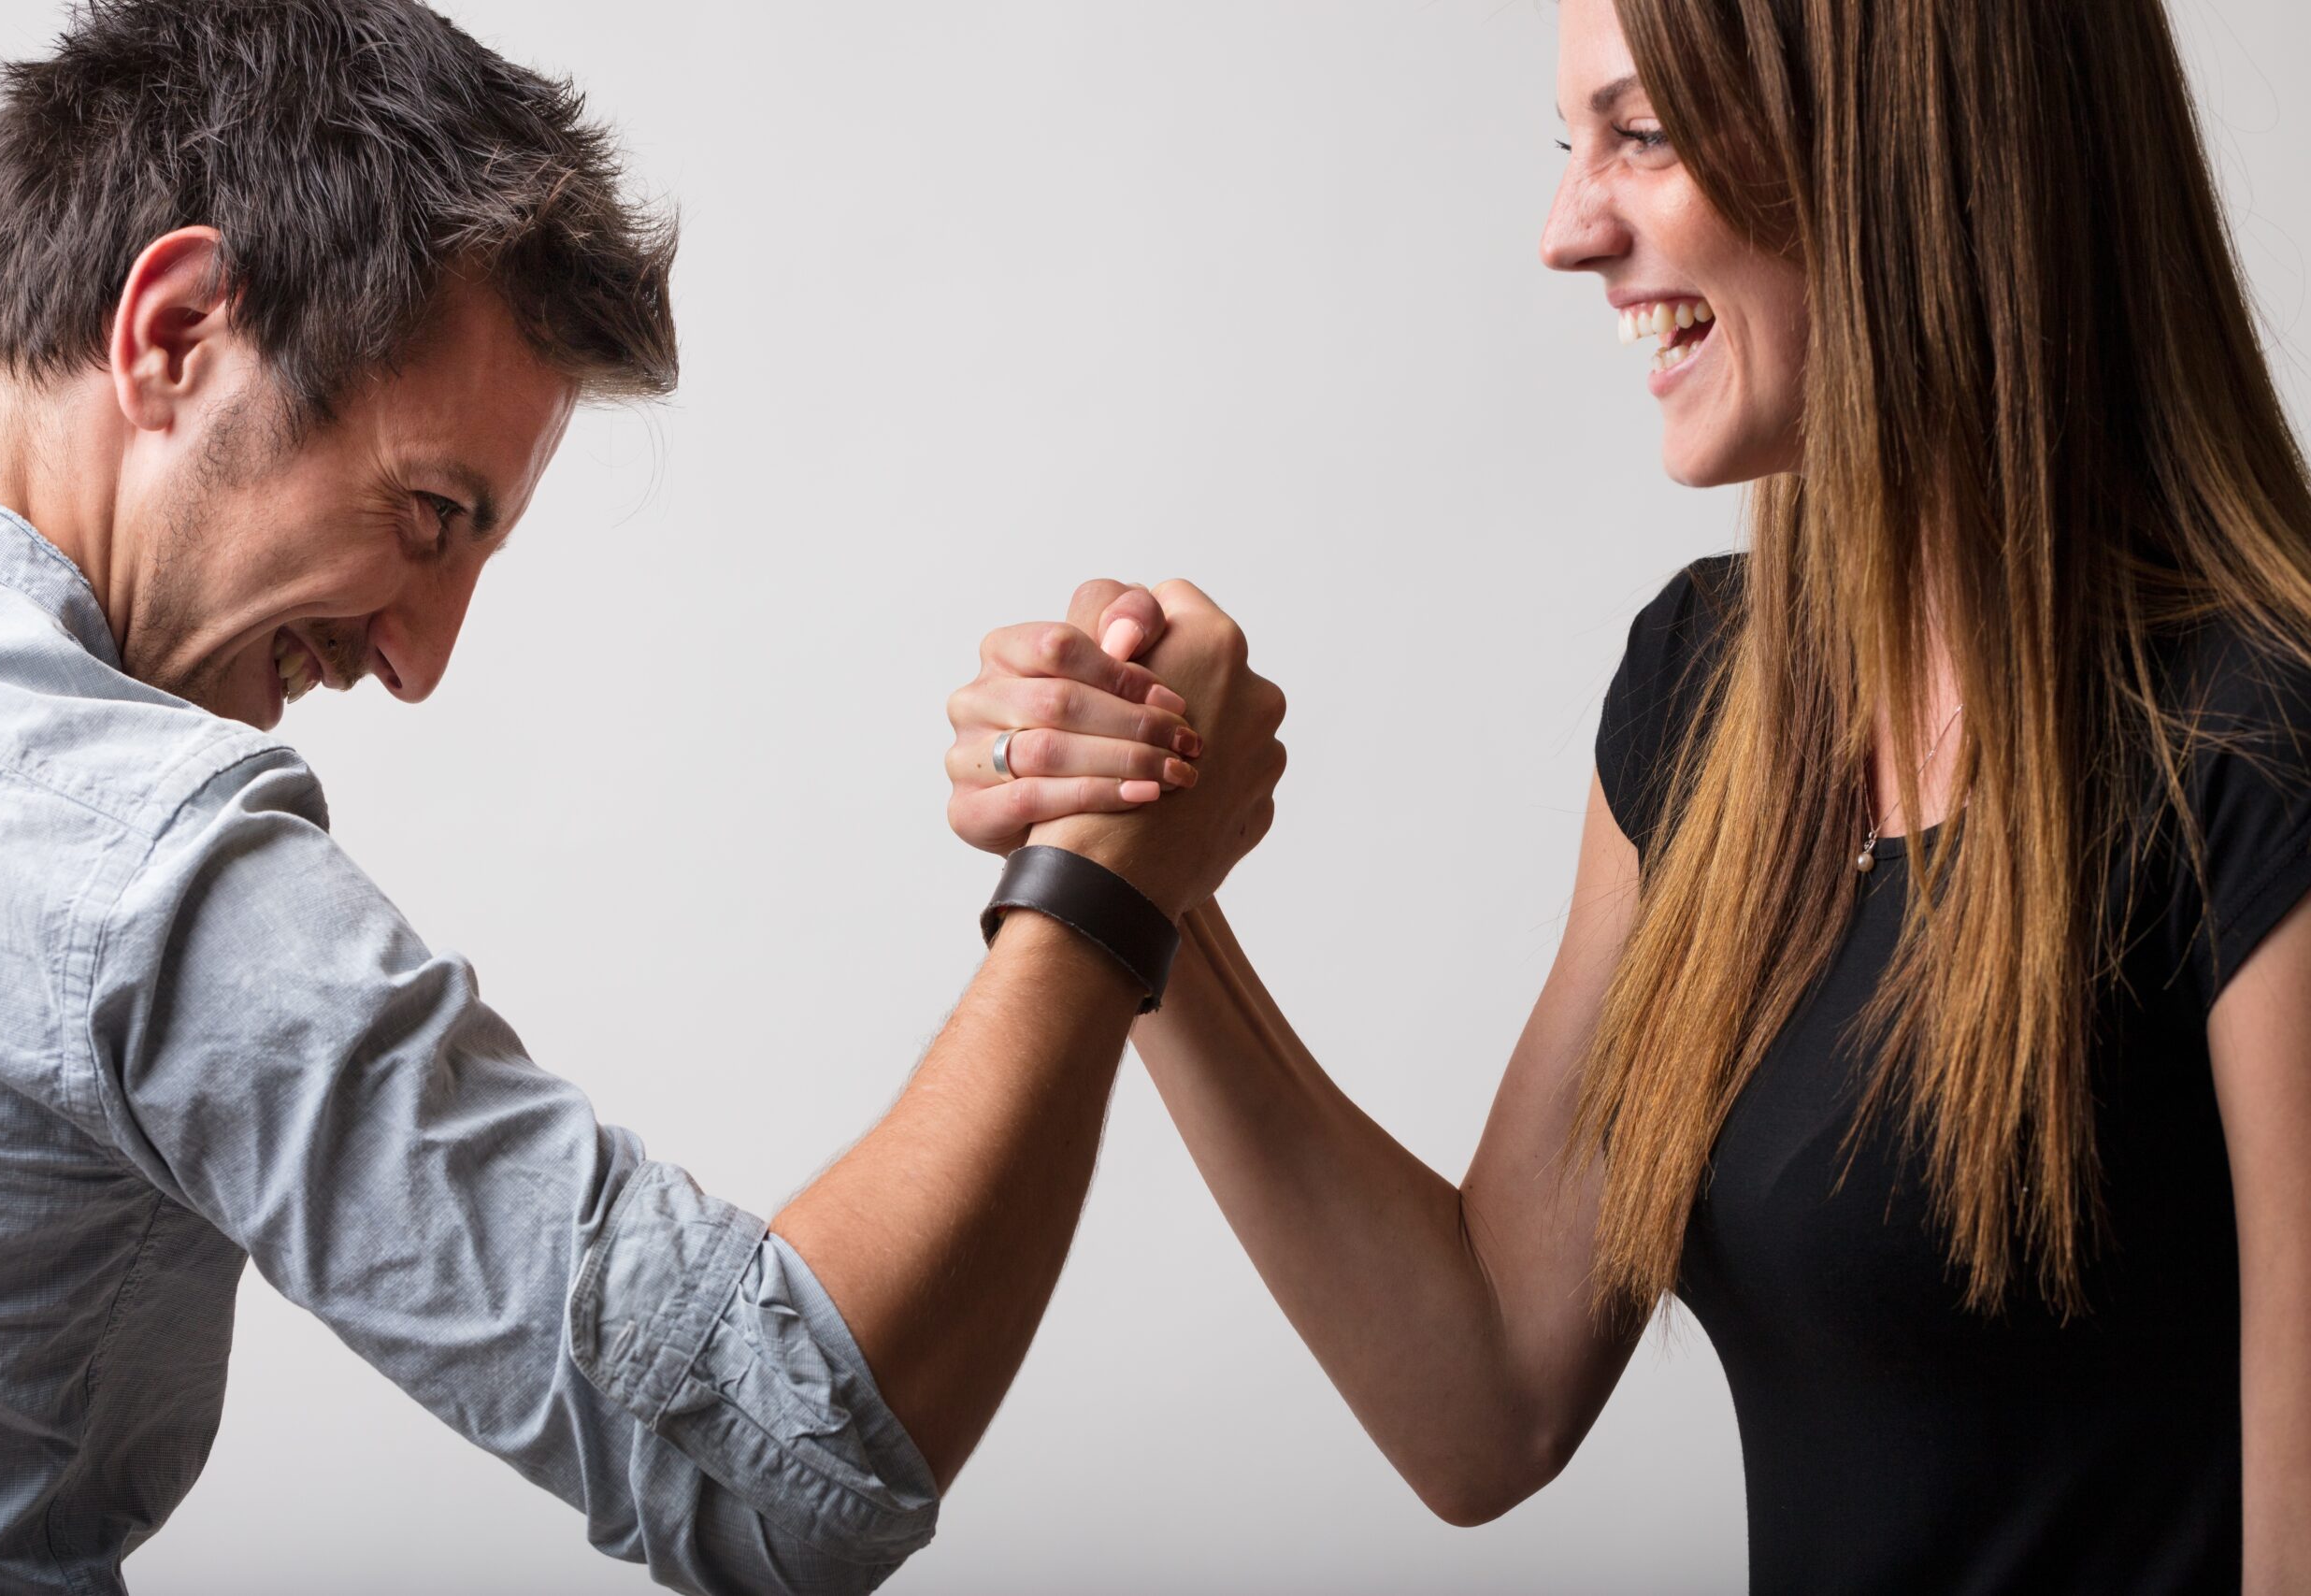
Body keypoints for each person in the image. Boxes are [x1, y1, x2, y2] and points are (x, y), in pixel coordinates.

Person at [0, 4, 1286, 1592]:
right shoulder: (114, 852)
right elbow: (795, 1464)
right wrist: (1102, 892)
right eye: (430, 514)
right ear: (175, 331)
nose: (420, 659)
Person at [948, 0, 2311, 1589]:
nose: (1565, 231)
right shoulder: (1711, 694)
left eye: (1643, 133)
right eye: (1570, 143)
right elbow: (1486, 1398)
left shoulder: (2260, 738)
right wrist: (1117, 872)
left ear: (1905, 146)